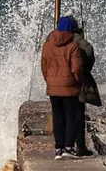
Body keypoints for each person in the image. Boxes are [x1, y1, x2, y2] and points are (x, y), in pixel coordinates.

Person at [40, 16, 84, 160]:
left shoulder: (47, 46)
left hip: (53, 88)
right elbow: (76, 69)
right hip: (70, 88)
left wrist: (50, 81)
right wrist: (79, 82)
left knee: (58, 118)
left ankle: (58, 149)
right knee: (71, 118)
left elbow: (44, 67)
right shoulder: (73, 47)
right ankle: (68, 148)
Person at [71, 19, 101, 157]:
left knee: (63, 115)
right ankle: (80, 147)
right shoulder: (78, 40)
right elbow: (89, 51)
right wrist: (85, 70)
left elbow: (45, 62)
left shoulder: (52, 40)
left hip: (58, 86)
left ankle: (64, 147)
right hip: (75, 84)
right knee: (78, 115)